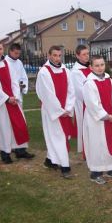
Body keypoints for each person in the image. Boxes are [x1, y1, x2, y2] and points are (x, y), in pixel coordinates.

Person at [0, 41, 34, 164]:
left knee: (19, 124)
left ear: (3, 49)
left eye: (0, 48)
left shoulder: (7, 63)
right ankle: (5, 153)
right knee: (4, 127)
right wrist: (6, 98)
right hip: (1, 102)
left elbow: (14, 81)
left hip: (13, 100)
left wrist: (16, 96)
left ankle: (20, 150)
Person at [83, 55, 112, 184]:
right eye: (96, 65)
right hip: (97, 120)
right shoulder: (89, 83)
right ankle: (96, 172)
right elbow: (92, 104)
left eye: (102, 65)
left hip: (111, 117)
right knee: (98, 145)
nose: (100, 68)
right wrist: (106, 116)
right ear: (91, 67)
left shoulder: (108, 80)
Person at [36, 45, 75, 179]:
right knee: (58, 137)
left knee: (60, 136)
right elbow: (47, 95)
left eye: (59, 55)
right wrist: (59, 110)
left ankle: (49, 160)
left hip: (64, 110)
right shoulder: (44, 72)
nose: (57, 58)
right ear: (49, 55)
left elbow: (71, 91)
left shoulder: (66, 70)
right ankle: (65, 167)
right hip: (51, 111)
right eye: (54, 55)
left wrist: (68, 108)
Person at [70, 44, 91, 154]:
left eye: (87, 54)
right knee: (85, 128)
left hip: (93, 102)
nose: (87, 56)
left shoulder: (90, 67)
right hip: (83, 104)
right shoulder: (75, 72)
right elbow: (80, 91)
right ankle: (86, 152)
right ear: (77, 56)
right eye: (84, 54)